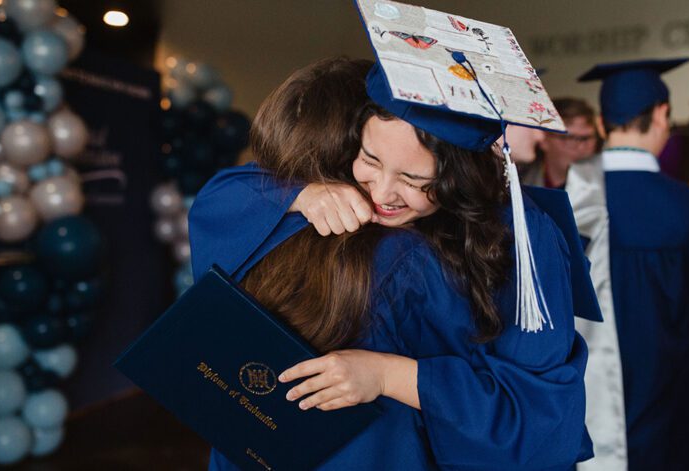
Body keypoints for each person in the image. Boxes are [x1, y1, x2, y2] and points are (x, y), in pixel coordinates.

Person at [190, 56, 597, 470]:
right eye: (369, 159)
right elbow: (228, 194)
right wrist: (300, 194)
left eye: (416, 181)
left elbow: (536, 420)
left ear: (460, 178)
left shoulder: (518, 241)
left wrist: (388, 375)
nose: (382, 194)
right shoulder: (315, 204)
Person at [565, 58, 689, 471]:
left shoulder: (564, 204)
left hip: (578, 412)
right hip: (669, 404)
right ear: (663, 115)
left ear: (600, 124)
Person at [520, 97, 600, 189]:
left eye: (586, 138)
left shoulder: (608, 183)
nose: (581, 147)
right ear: (544, 139)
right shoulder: (518, 183)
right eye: (569, 138)